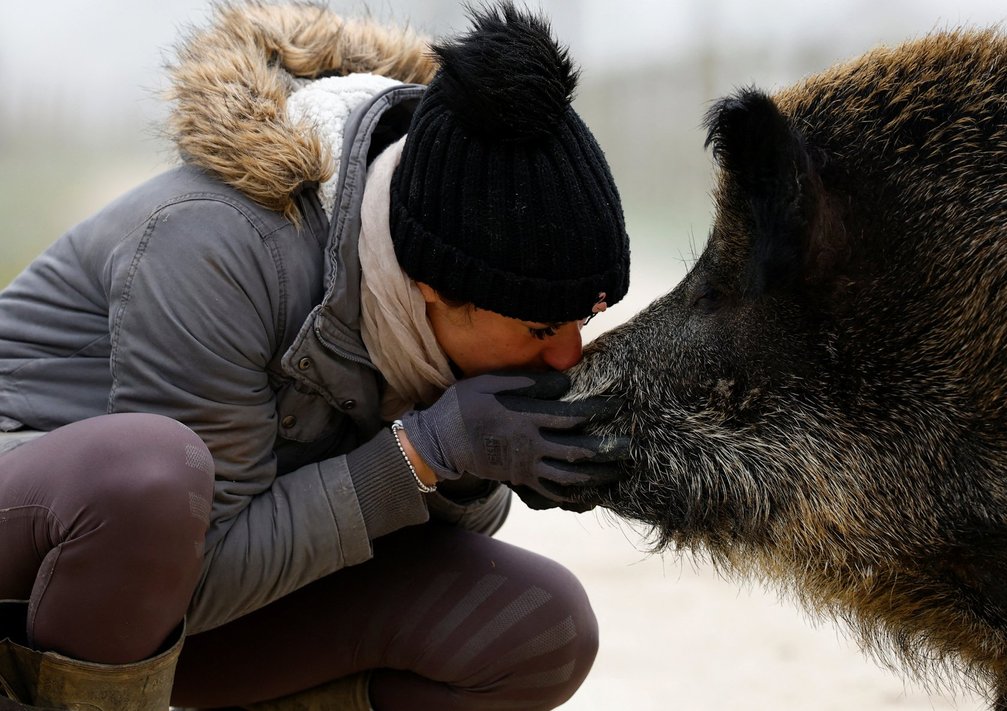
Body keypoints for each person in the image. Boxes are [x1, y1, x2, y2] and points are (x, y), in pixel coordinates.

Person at [0, 2, 631, 709]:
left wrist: (467, 467)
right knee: (149, 474)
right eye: (544, 328)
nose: (568, 354)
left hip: (191, 605)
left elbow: (406, 524)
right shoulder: (219, 244)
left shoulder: (423, 277)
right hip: (46, 544)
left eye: (582, 320)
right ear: (430, 289)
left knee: (540, 630)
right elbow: (190, 572)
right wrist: (424, 451)